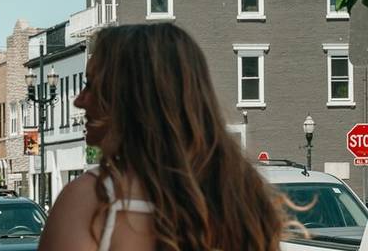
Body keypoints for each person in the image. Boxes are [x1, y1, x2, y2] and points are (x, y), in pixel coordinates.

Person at [37, 23, 297, 251]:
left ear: (134, 98)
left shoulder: (90, 202)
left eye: (92, 85)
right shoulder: (244, 201)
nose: (79, 100)